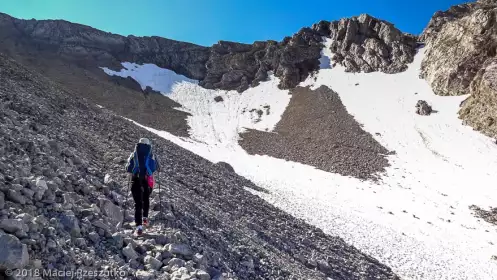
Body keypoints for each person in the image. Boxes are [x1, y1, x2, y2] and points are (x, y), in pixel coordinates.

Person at [125, 138, 159, 235]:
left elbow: (128, 168)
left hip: (135, 180)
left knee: (138, 203)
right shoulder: (151, 154)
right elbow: (155, 167)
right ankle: (145, 218)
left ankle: (139, 226)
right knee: (146, 198)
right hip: (146, 180)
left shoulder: (134, 153)